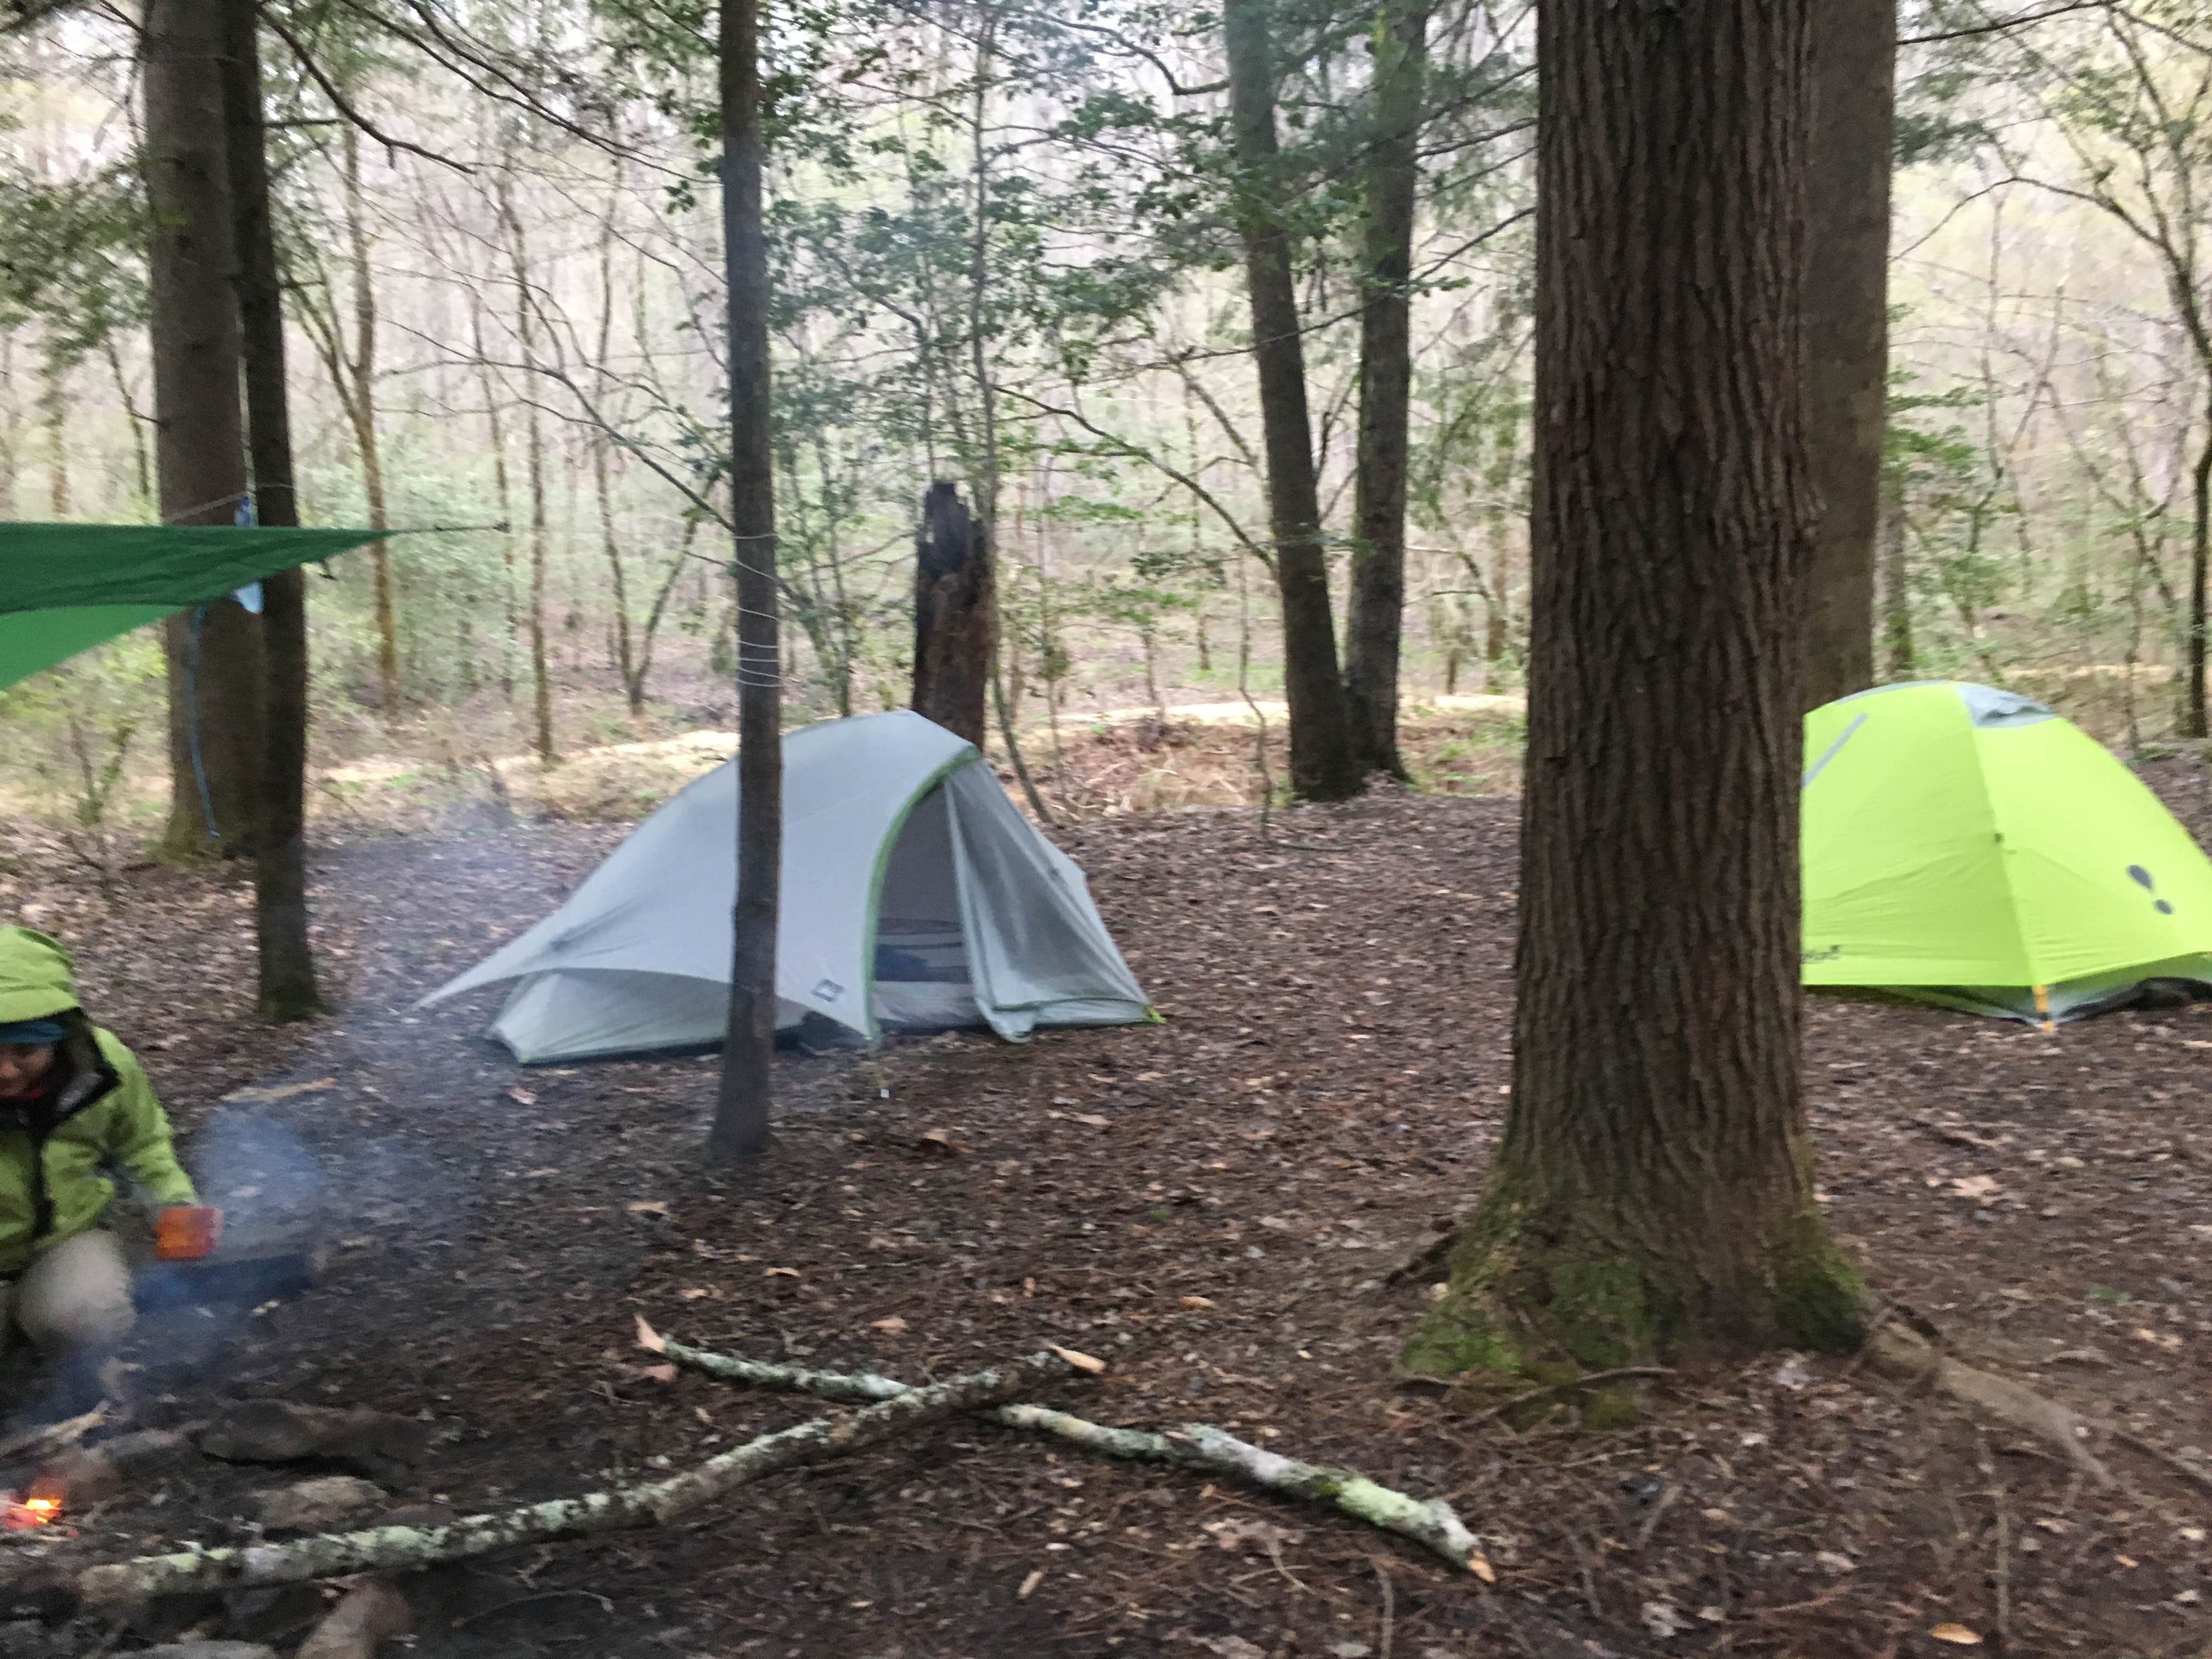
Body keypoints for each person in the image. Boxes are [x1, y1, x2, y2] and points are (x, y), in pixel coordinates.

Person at [0, 926, 207, 1398]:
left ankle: (81, 1377)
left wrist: (175, 1206)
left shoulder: (103, 1068)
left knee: (88, 1316)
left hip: (63, 1238)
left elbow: (144, 1146)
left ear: (60, 1033)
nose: (6, 1072)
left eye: (26, 1050)